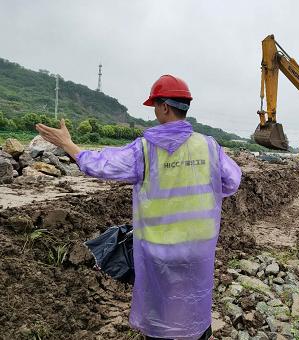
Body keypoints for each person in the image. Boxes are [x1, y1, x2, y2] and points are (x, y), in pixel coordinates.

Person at [36, 74, 242, 340]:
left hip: (159, 251)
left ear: (164, 107)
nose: (155, 111)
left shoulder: (145, 149)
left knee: (161, 308)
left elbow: (101, 166)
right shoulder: (210, 146)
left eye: (155, 106)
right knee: (193, 301)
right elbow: (232, 181)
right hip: (198, 248)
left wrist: (68, 145)